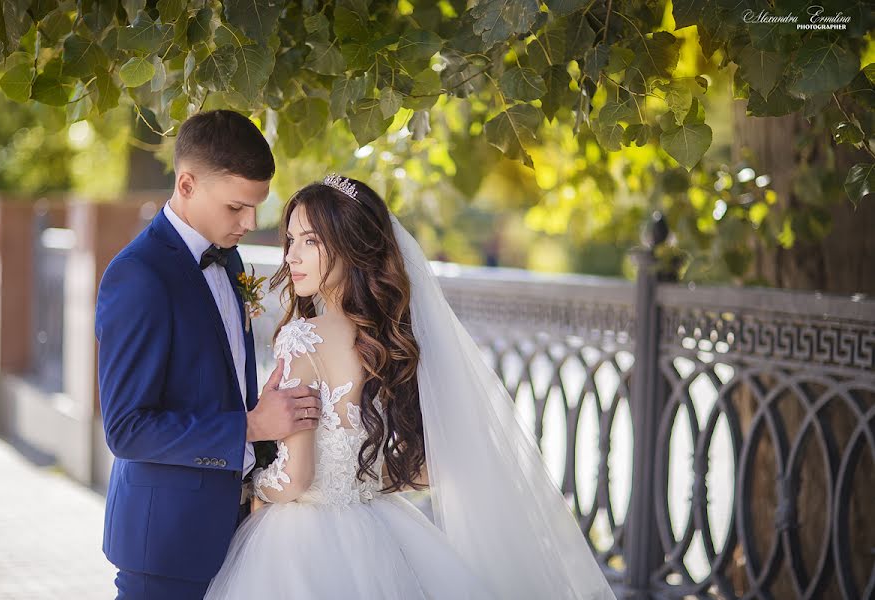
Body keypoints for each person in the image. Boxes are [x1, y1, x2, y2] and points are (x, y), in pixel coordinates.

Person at [204, 175, 617, 599]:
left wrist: (252, 483)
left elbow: (295, 479)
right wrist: (354, 479)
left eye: (310, 241)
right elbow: (421, 469)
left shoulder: (300, 337)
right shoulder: (394, 339)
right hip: (383, 531)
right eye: (289, 240)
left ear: (352, 244)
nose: (291, 256)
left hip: (300, 543)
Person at [95, 110, 323, 599]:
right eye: (237, 207)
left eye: (256, 207)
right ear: (187, 184)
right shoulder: (138, 276)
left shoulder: (231, 258)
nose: (251, 223)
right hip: (166, 546)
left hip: (239, 532)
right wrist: (251, 426)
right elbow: (126, 429)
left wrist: (260, 414)